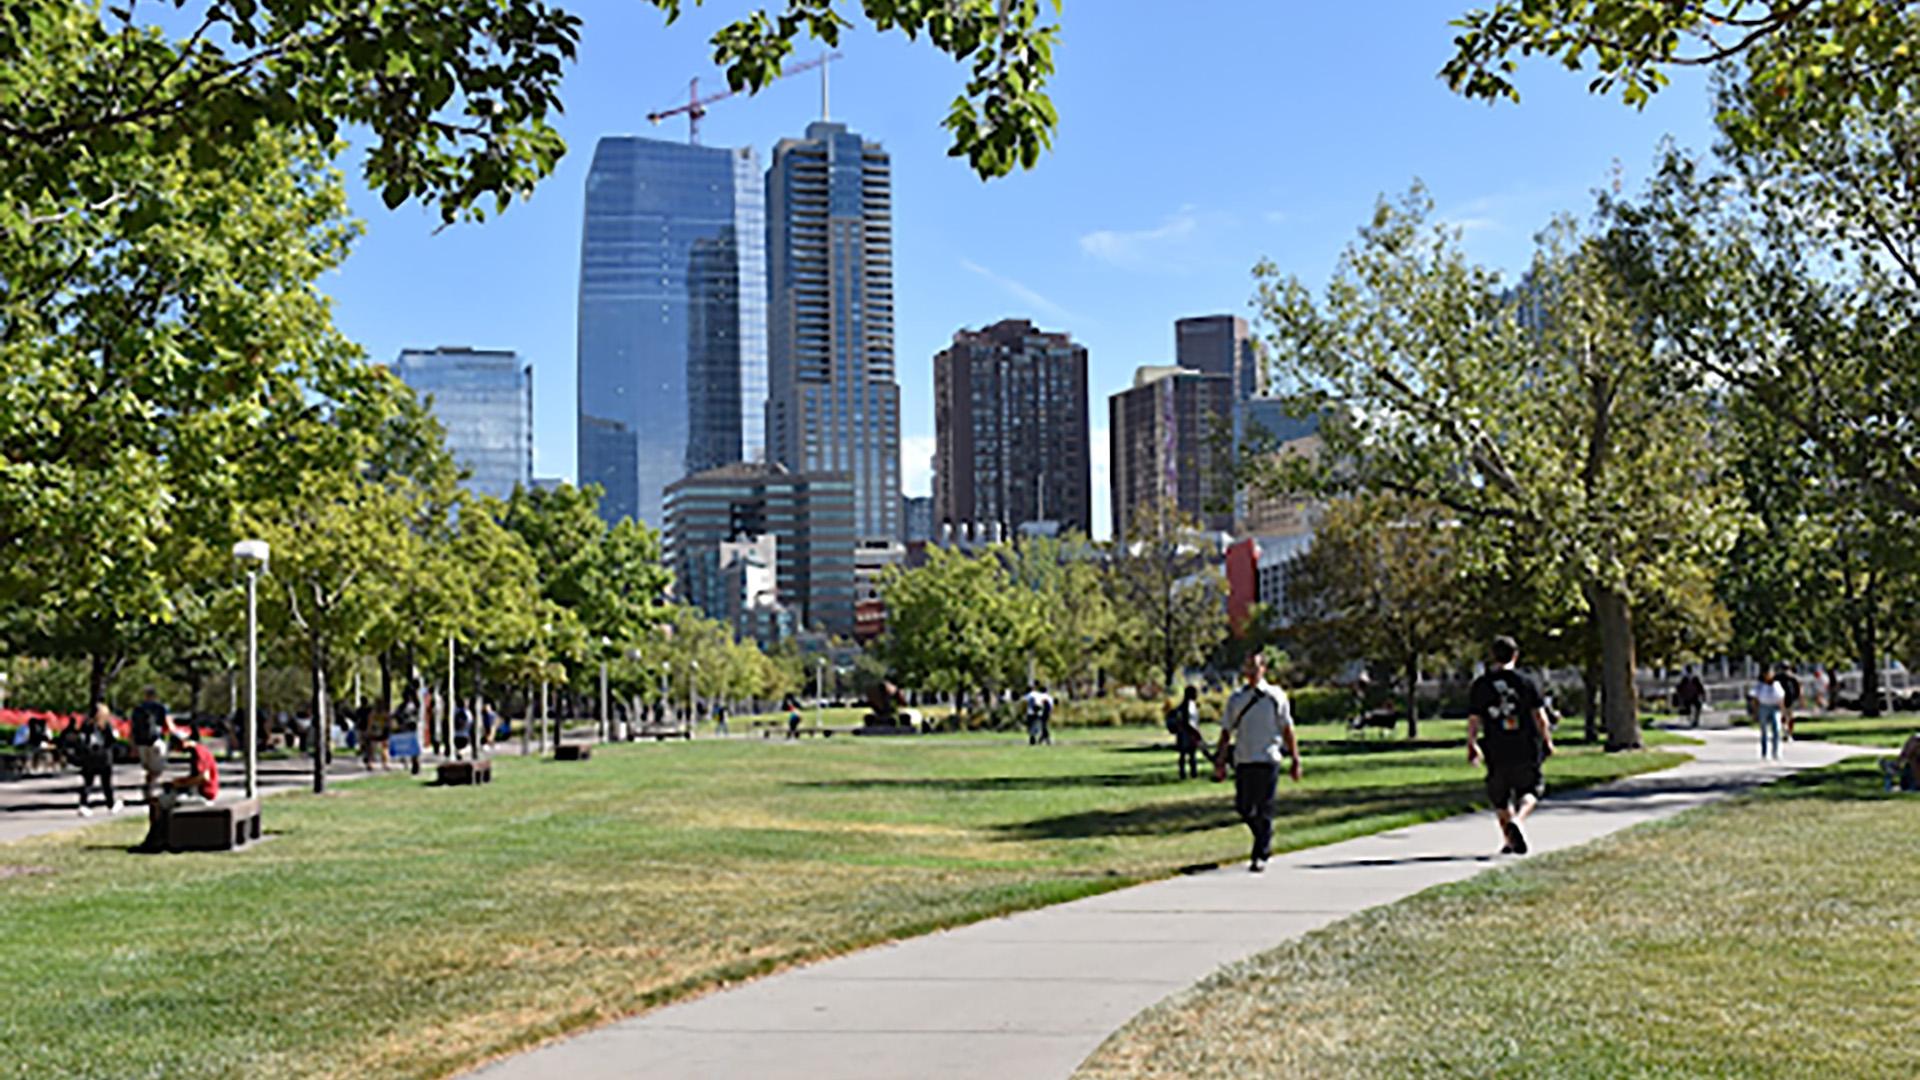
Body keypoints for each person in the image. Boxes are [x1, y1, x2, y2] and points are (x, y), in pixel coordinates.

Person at [1212, 650, 1302, 872]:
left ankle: (1260, 852)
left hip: (1268, 758)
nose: (1251, 672)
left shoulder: (1275, 696)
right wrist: (1220, 760)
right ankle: (1264, 835)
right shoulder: (1236, 699)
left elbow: (1287, 729)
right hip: (1244, 759)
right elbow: (1226, 731)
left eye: (1255, 667)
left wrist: (1295, 759)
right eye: (1248, 667)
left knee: (1264, 808)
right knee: (1243, 807)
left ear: (1264, 669)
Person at [1466, 636, 1555, 856]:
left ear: (1492, 656)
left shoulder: (1481, 685)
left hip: (1496, 745)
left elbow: (1474, 719)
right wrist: (1547, 740)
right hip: (1525, 744)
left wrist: (1471, 743)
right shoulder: (1526, 682)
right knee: (1531, 788)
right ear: (1515, 655)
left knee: (1500, 795)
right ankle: (1518, 820)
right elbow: (1539, 715)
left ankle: (1509, 838)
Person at [137, 731, 220, 853]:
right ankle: (160, 837)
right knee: (166, 798)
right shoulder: (199, 750)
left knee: (156, 803)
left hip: (203, 795)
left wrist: (180, 783)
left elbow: (204, 777)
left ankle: (154, 840)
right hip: (198, 792)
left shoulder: (198, 753)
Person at [69, 705, 122, 816]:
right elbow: (111, 740)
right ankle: (111, 804)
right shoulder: (105, 725)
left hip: (89, 756)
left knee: (88, 782)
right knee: (106, 783)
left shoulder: (86, 724)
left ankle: (83, 804)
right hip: (104, 756)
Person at [129, 687, 172, 805]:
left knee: (149, 769)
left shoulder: (137, 709)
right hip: (155, 742)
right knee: (157, 770)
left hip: (141, 743)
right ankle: (149, 789)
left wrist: (132, 746)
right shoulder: (160, 708)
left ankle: (148, 790)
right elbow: (168, 725)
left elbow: (132, 729)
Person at [1748, 664, 1788, 761]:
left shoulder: (1777, 685)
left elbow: (1781, 699)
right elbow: (1755, 699)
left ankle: (1776, 752)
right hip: (1763, 707)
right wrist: (1755, 712)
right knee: (1764, 731)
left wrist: (1783, 712)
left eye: (1770, 674)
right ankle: (1764, 752)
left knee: (1776, 730)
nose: (1769, 676)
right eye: (1767, 674)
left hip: (1775, 708)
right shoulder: (1760, 686)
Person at [1165, 685, 1206, 780]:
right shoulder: (1188, 705)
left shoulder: (1189, 705)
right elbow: (1187, 720)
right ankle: (1188, 773)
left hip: (1185, 732)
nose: (1197, 695)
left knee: (1188, 754)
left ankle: (1189, 773)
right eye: (1195, 693)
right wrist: (1194, 732)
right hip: (1187, 733)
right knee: (1187, 754)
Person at [1777, 665, 1803, 741]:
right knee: (1785, 716)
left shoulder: (1792, 678)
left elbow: (1798, 687)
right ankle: (1786, 732)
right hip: (1783, 699)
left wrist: (1799, 697)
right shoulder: (1779, 677)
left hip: (1788, 699)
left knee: (1788, 717)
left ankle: (1788, 733)